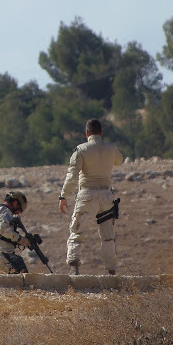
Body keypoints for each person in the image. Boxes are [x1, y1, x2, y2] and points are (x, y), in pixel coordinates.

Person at [59, 118, 123, 275]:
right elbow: (119, 161)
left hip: (87, 194)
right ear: (101, 133)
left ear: (86, 133)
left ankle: (74, 268)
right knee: (108, 234)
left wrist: (63, 196)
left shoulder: (81, 150)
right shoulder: (112, 148)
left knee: (77, 231)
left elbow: (72, 175)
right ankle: (111, 271)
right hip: (107, 195)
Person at [0, 191, 30, 274]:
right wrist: (19, 239)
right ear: (15, 203)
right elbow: (1, 229)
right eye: (19, 210)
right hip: (2, 257)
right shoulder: (5, 211)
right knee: (23, 279)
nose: (18, 213)